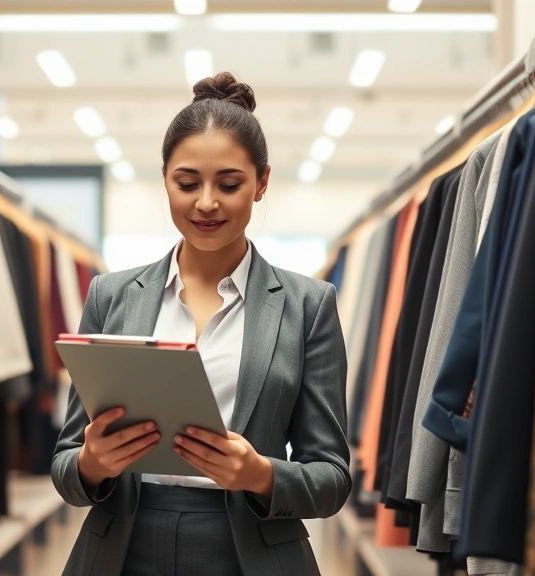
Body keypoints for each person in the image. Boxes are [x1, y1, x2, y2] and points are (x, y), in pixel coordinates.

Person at [51, 72, 351, 576]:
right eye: (187, 183)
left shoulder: (308, 305)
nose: (206, 202)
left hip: (251, 553)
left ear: (261, 183)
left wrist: (261, 474)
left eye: (229, 184)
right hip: (124, 550)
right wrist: (91, 465)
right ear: (165, 179)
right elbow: (65, 463)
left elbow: (333, 477)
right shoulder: (111, 295)